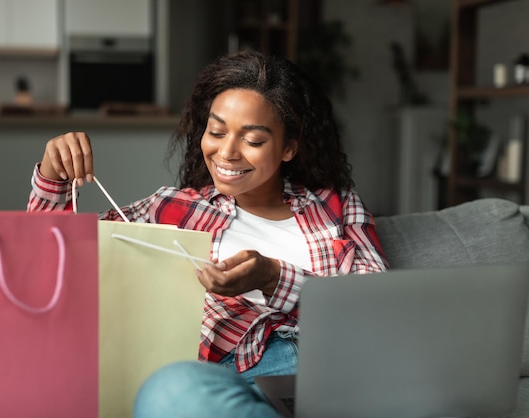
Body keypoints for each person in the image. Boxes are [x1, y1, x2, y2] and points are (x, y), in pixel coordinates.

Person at [27, 49, 389, 417]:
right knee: (171, 390)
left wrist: (273, 277)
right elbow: (55, 259)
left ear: (289, 147)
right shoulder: (172, 209)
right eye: (216, 132)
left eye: (253, 140)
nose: (226, 152)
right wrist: (54, 178)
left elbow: (377, 303)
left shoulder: (335, 206)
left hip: (327, 368)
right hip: (225, 375)